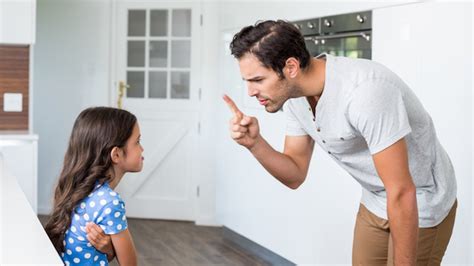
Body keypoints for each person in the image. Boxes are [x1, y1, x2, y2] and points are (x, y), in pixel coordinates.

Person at [223, 20, 457, 265]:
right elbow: (295, 174)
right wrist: (255, 143)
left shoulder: (364, 92)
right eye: (247, 81)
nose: (250, 91)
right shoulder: (295, 97)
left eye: (258, 80)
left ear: (290, 67)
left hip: (420, 198)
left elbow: (401, 190)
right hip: (376, 198)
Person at [45, 107, 144, 266]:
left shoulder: (77, 188)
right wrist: (111, 250)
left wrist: (109, 249)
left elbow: (88, 250)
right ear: (116, 154)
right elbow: (130, 264)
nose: (142, 148)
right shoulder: (110, 203)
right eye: (137, 142)